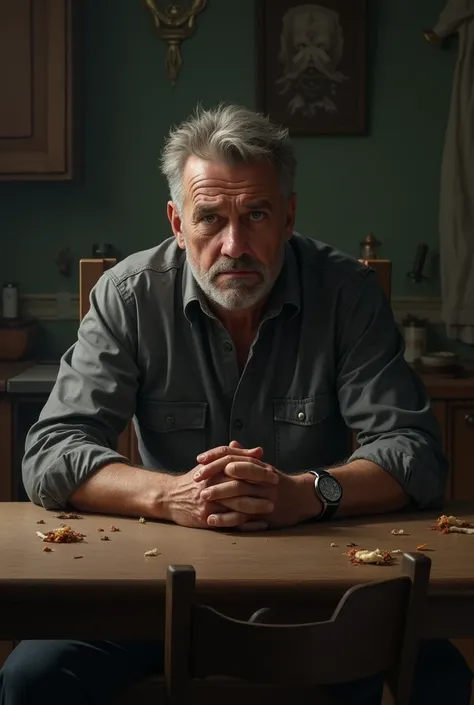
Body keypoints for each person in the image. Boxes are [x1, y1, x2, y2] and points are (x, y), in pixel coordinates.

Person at [0, 104, 471, 704]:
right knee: (30, 681)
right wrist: (170, 496)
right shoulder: (127, 296)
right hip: (155, 589)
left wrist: (306, 493)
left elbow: (416, 453)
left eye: (256, 215)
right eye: (210, 218)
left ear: (290, 216)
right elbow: (50, 452)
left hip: (325, 592)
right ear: (176, 222)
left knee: (441, 679)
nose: (234, 244)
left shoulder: (347, 292)